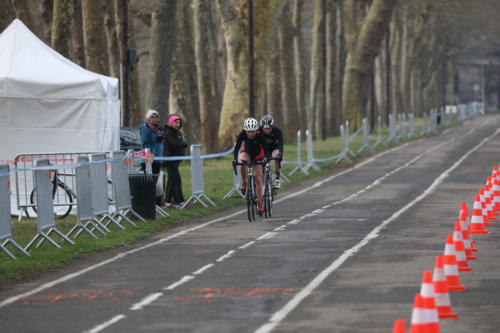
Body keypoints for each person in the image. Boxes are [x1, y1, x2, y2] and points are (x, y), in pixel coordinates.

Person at [233, 118, 266, 216]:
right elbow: (237, 148)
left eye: (253, 132)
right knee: (242, 161)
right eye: (249, 132)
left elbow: (265, 148)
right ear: (245, 130)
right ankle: (244, 182)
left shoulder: (260, 135)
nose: (251, 134)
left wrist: (265, 159)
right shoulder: (242, 134)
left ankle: (260, 203)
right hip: (247, 152)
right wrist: (235, 159)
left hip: (258, 155)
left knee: (258, 179)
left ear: (256, 130)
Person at [163, 114, 188, 208]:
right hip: (170, 161)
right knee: (177, 180)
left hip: (175, 160)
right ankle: (180, 201)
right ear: (171, 122)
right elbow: (174, 144)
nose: (177, 124)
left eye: (179, 123)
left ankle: (168, 202)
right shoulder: (169, 132)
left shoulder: (177, 132)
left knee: (171, 181)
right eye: (175, 122)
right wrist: (184, 144)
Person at [259, 115, 283, 189]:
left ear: (272, 127)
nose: (267, 130)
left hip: (274, 148)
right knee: (262, 165)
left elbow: (280, 145)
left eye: (269, 128)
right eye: (265, 128)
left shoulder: (277, 131)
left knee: (276, 156)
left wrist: (279, 154)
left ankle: (277, 176)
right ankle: (263, 184)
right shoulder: (258, 131)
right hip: (263, 149)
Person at [139, 109, 163, 175]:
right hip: (148, 159)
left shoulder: (159, 129)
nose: (155, 118)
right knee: (149, 182)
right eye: (152, 117)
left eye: (156, 117)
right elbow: (145, 143)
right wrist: (149, 155)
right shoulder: (145, 127)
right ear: (148, 118)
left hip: (157, 159)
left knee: (154, 181)